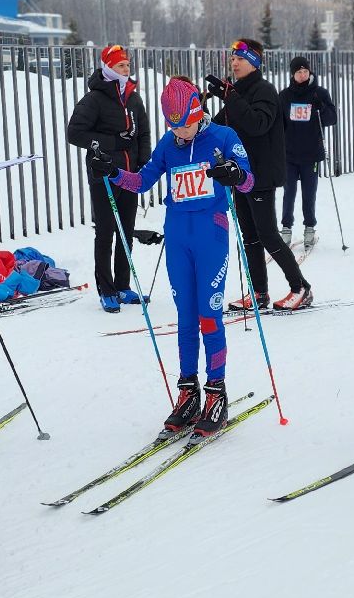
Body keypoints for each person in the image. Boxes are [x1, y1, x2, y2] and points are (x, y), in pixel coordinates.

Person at [92, 78, 254, 435]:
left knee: (209, 314)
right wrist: (112, 171)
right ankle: (188, 391)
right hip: (178, 237)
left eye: (185, 126)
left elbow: (249, 182)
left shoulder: (223, 137)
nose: (180, 133)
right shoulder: (169, 143)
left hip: (211, 235)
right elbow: (142, 181)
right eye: (174, 127)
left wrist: (235, 173)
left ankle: (216, 392)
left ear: (198, 113)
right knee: (185, 317)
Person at [205, 37, 313, 310]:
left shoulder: (264, 91)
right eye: (232, 59)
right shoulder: (237, 93)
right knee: (250, 236)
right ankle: (259, 292)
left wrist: (230, 97)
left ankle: (301, 287)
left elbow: (257, 124)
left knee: (267, 234)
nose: (234, 63)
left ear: (254, 62)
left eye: (240, 59)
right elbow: (218, 128)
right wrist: (199, 110)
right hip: (240, 175)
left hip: (261, 175)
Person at [67, 45, 152, 313]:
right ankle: (106, 289)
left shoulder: (133, 98)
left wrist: (142, 161)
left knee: (126, 232)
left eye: (127, 65)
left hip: (130, 176)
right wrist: (112, 143)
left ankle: (123, 285)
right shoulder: (94, 99)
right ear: (108, 68)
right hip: (103, 174)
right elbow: (75, 133)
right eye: (120, 66)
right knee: (105, 232)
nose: (126, 70)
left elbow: (144, 132)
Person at [277, 55, 338, 250]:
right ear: (292, 74)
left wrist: (321, 109)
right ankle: (286, 227)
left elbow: (332, 118)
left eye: (305, 71)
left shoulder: (319, 93)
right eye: (299, 72)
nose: (303, 75)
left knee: (309, 193)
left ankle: (309, 227)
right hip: (289, 154)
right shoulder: (285, 96)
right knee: (289, 192)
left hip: (311, 154)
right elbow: (278, 123)